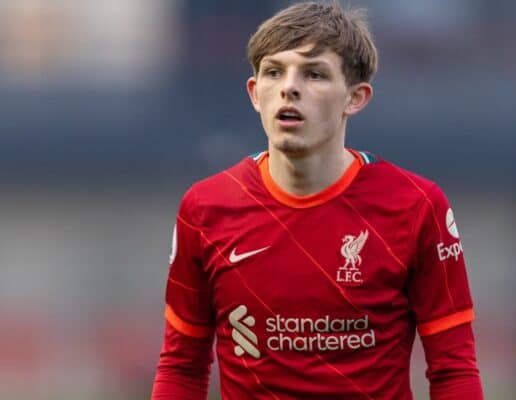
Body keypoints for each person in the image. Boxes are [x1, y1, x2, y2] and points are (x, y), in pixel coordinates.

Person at [151, 1, 484, 399]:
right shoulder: (205, 208)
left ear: (355, 98)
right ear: (256, 94)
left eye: (314, 74)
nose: (289, 87)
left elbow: (453, 370)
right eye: (274, 72)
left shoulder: (416, 206)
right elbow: (182, 366)